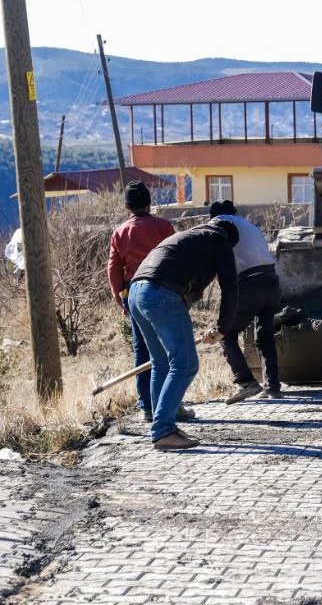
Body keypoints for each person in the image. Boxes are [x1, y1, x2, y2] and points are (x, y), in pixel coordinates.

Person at [128, 218, 239, 450]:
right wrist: (222, 328)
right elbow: (231, 290)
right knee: (186, 364)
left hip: (136, 293)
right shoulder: (220, 241)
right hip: (160, 293)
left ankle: (163, 426)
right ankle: (163, 431)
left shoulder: (190, 238)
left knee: (162, 364)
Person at [106, 181, 180, 422]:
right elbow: (177, 256)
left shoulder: (120, 233)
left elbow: (113, 269)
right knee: (172, 349)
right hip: (164, 289)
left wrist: (121, 298)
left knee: (143, 350)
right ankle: (172, 405)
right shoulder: (164, 226)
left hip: (135, 292)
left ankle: (147, 407)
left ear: (127, 206)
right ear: (150, 203)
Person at [207, 200, 284, 403]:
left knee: (226, 333)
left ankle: (245, 381)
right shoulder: (249, 225)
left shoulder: (217, 224)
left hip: (250, 283)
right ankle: (272, 386)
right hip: (272, 281)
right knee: (264, 336)